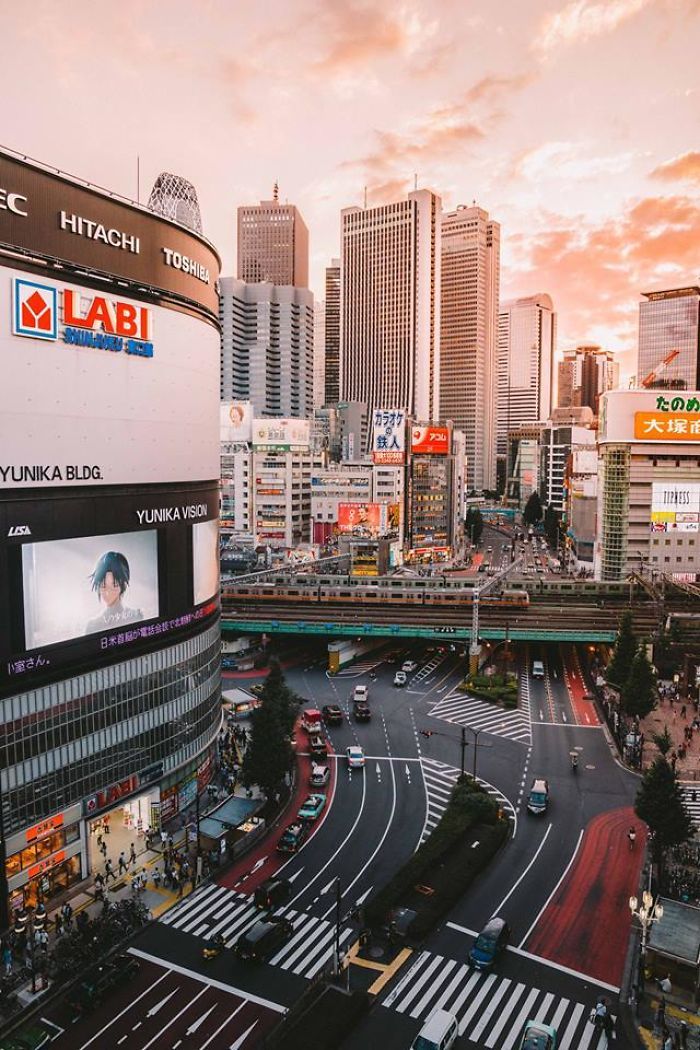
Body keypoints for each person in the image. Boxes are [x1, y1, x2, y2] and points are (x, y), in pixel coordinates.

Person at [85, 551, 144, 635]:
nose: (108, 593)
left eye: (114, 585)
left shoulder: (137, 616)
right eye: (103, 586)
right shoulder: (92, 626)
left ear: (123, 584)